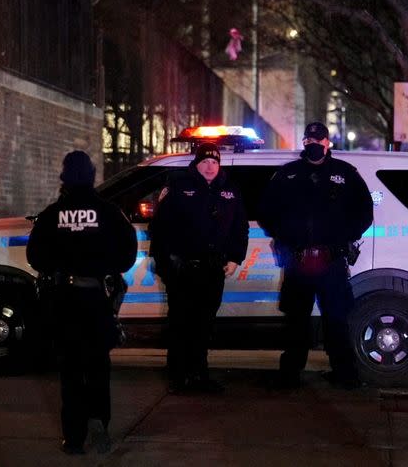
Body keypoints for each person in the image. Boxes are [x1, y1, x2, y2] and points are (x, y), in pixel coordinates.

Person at [27, 150, 137, 455]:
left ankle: (73, 438)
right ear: (91, 176)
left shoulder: (52, 215)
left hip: (64, 301)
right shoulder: (108, 212)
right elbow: (128, 251)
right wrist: (105, 267)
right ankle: (99, 424)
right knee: (98, 367)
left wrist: (61, 265)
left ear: (64, 177)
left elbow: (35, 256)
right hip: (96, 299)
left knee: (71, 371)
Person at [258, 122, 373, 389]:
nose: (314, 144)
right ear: (304, 142)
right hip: (297, 261)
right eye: (309, 140)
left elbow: (364, 212)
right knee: (296, 321)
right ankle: (289, 375)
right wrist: (285, 239)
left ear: (327, 143)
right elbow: (266, 211)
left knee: (336, 320)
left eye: (318, 140)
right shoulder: (288, 174)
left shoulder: (345, 174)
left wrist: (344, 239)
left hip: (331, 261)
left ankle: (345, 375)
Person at [149, 142, 249, 394]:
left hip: (212, 269)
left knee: (204, 325)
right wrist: (165, 264)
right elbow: (159, 228)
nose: (209, 166)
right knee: (181, 323)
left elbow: (240, 228)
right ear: (196, 163)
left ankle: (199, 375)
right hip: (182, 269)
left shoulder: (230, 190)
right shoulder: (179, 186)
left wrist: (236, 258)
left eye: (214, 162)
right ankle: (178, 377)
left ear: (220, 164)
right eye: (205, 161)